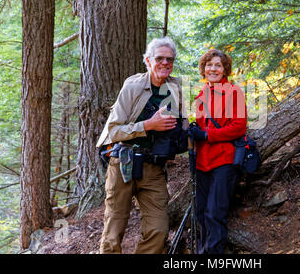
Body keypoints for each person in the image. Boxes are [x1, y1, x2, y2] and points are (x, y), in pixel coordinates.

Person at [96, 36, 188, 254]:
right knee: (113, 231)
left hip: (154, 169)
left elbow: (182, 127)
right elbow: (113, 131)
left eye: (170, 59)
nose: (165, 63)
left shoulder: (176, 89)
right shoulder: (133, 86)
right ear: (148, 61)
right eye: (159, 59)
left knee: (158, 229)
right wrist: (148, 125)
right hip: (123, 164)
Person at [189, 48, 247, 254]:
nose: (212, 68)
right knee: (201, 212)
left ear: (225, 70)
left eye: (217, 65)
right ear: (203, 69)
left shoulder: (233, 92)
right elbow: (200, 125)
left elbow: (238, 127)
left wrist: (207, 135)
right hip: (202, 161)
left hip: (224, 160)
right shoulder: (201, 94)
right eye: (209, 65)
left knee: (215, 213)